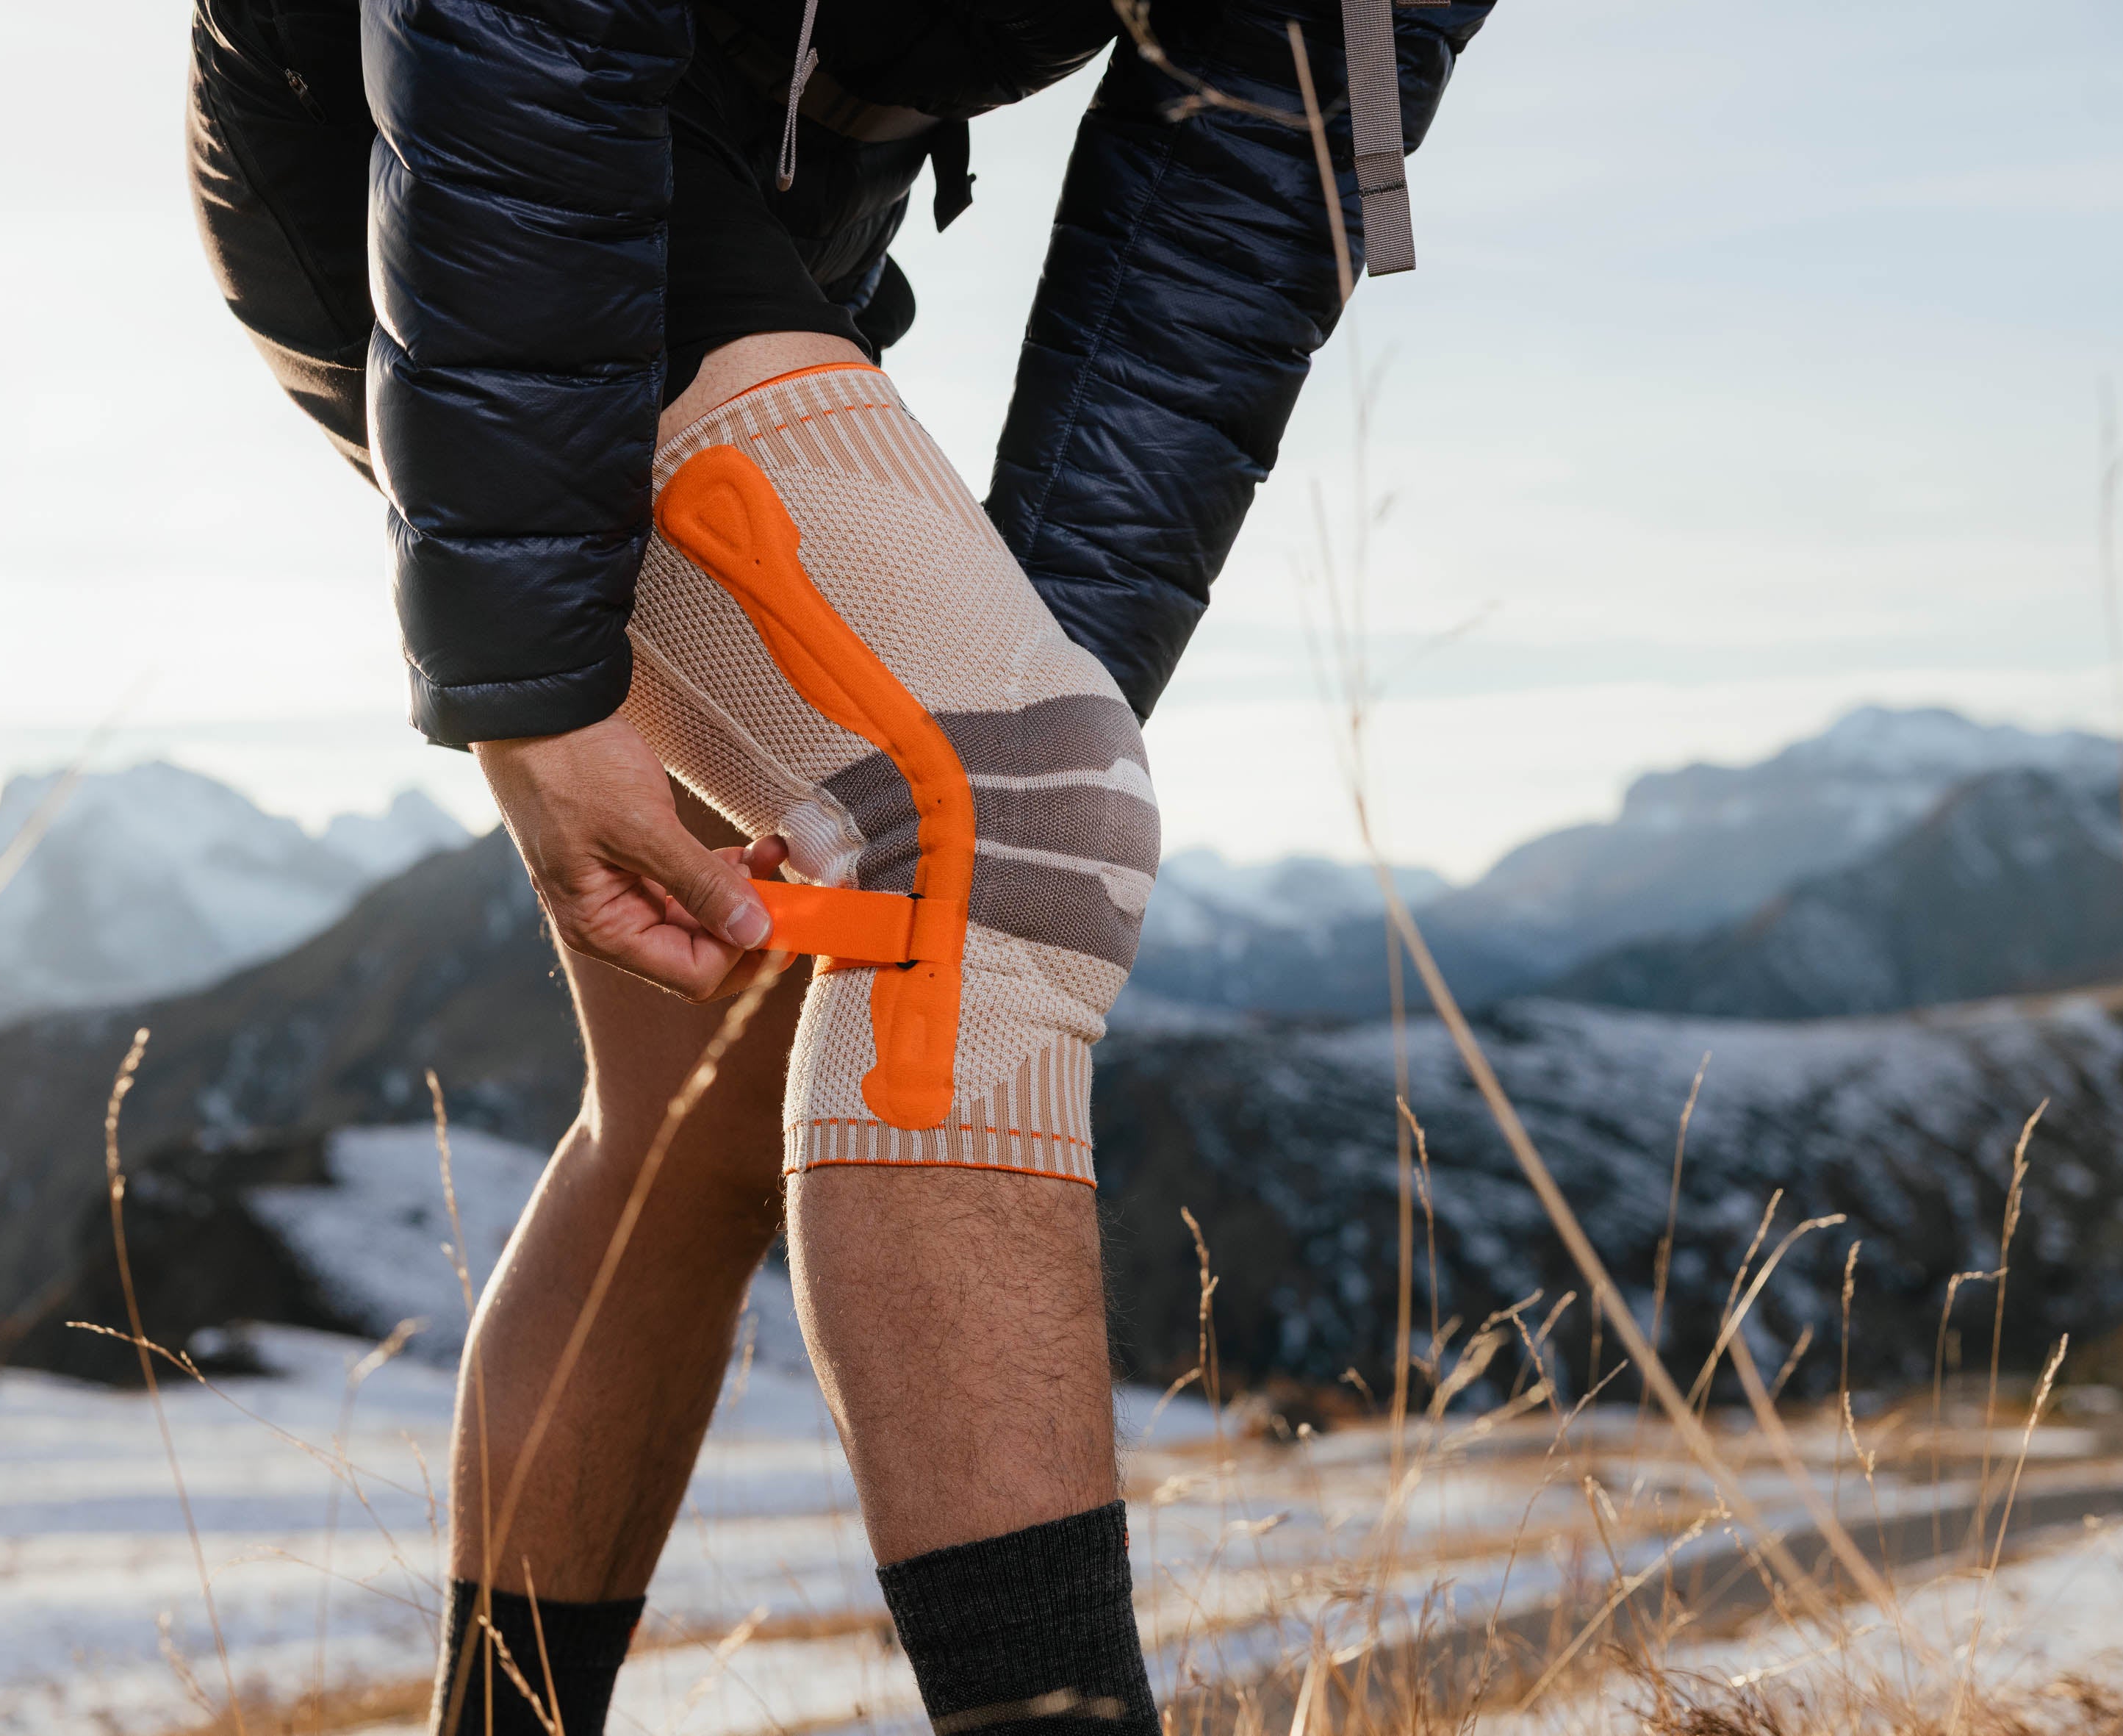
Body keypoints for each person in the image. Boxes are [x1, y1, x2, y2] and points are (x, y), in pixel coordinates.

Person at [186, 0, 1492, 1726]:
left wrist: (1020, 729)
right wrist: (530, 668)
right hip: (440, 120)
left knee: (724, 1087)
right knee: (980, 840)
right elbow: (515, 39)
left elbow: (1225, 222)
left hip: (781, 206)